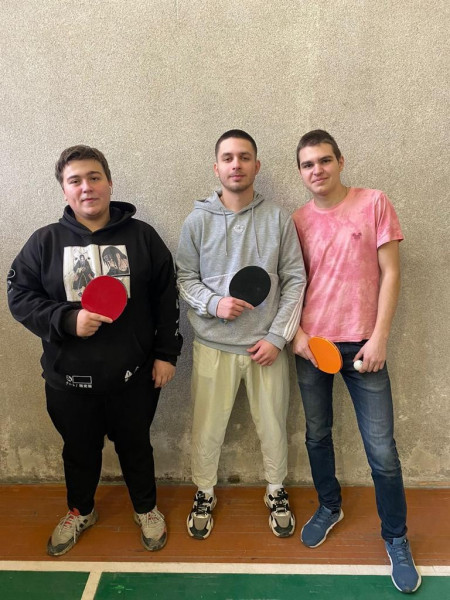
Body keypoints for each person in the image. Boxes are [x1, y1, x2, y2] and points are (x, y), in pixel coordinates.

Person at [7, 145, 182, 556]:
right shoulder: (44, 242)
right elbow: (20, 297)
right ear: (64, 190)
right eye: (75, 180)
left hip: (133, 377)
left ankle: (146, 508)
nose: (86, 187)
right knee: (79, 452)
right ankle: (80, 510)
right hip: (68, 380)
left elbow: (166, 299)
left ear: (109, 183)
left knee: (136, 447)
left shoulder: (143, 237)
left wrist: (166, 354)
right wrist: (67, 320)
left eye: (94, 177)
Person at [292, 130, 421, 593]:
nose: (318, 170)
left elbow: (392, 272)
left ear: (341, 162)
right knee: (317, 434)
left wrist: (380, 337)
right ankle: (330, 506)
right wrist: (297, 337)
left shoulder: (374, 203)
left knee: (382, 452)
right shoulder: (297, 220)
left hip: (366, 348)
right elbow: (291, 285)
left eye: (325, 160)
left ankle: (396, 538)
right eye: (308, 164)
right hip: (313, 349)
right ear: (300, 172)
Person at [176, 129, 306, 540]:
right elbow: (184, 278)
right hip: (213, 346)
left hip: (265, 347)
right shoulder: (197, 221)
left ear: (257, 166)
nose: (237, 164)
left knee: (273, 425)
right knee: (207, 427)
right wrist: (214, 303)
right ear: (217, 168)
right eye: (228, 158)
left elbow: (295, 280)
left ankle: (275, 489)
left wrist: (277, 338)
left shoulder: (278, 219)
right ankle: (204, 491)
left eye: (245, 157)